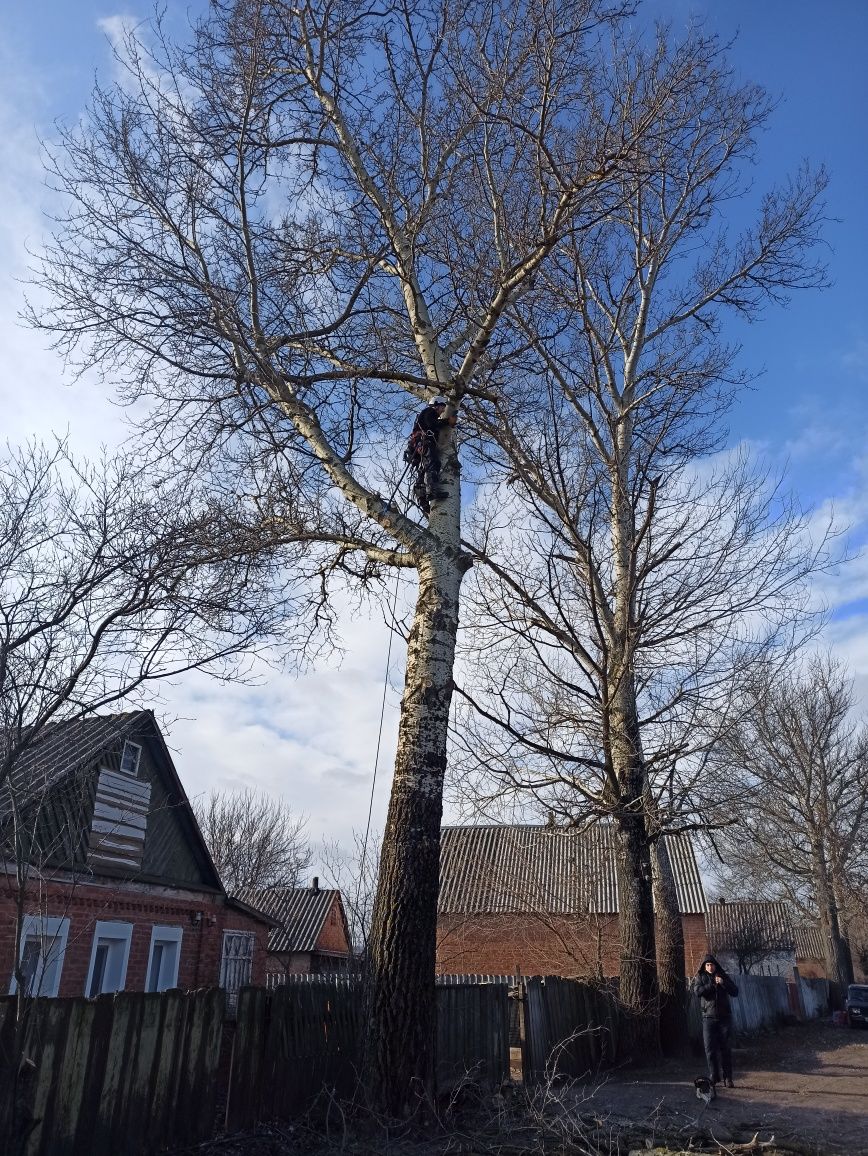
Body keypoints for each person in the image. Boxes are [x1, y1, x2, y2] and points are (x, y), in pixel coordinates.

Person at [693, 954, 739, 1088]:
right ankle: (714, 1076)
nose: (710, 967)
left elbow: (735, 992)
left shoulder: (723, 976)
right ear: (704, 966)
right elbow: (698, 992)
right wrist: (712, 985)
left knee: (725, 1049)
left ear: (715, 965)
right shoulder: (700, 977)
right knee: (710, 1049)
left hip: (724, 1018)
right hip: (708, 1018)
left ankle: (728, 1078)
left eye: (711, 964)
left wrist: (723, 983)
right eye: (707, 965)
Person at [404, 398, 456, 513]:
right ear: (436, 405)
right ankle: (432, 491)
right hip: (423, 441)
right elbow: (432, 424)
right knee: (433, 463)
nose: (443, 411)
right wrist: (447, 421)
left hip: (419, 444)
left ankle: (422, 498)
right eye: (442, 407)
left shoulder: (427, 415)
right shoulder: (429, 412)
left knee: (424, 469)